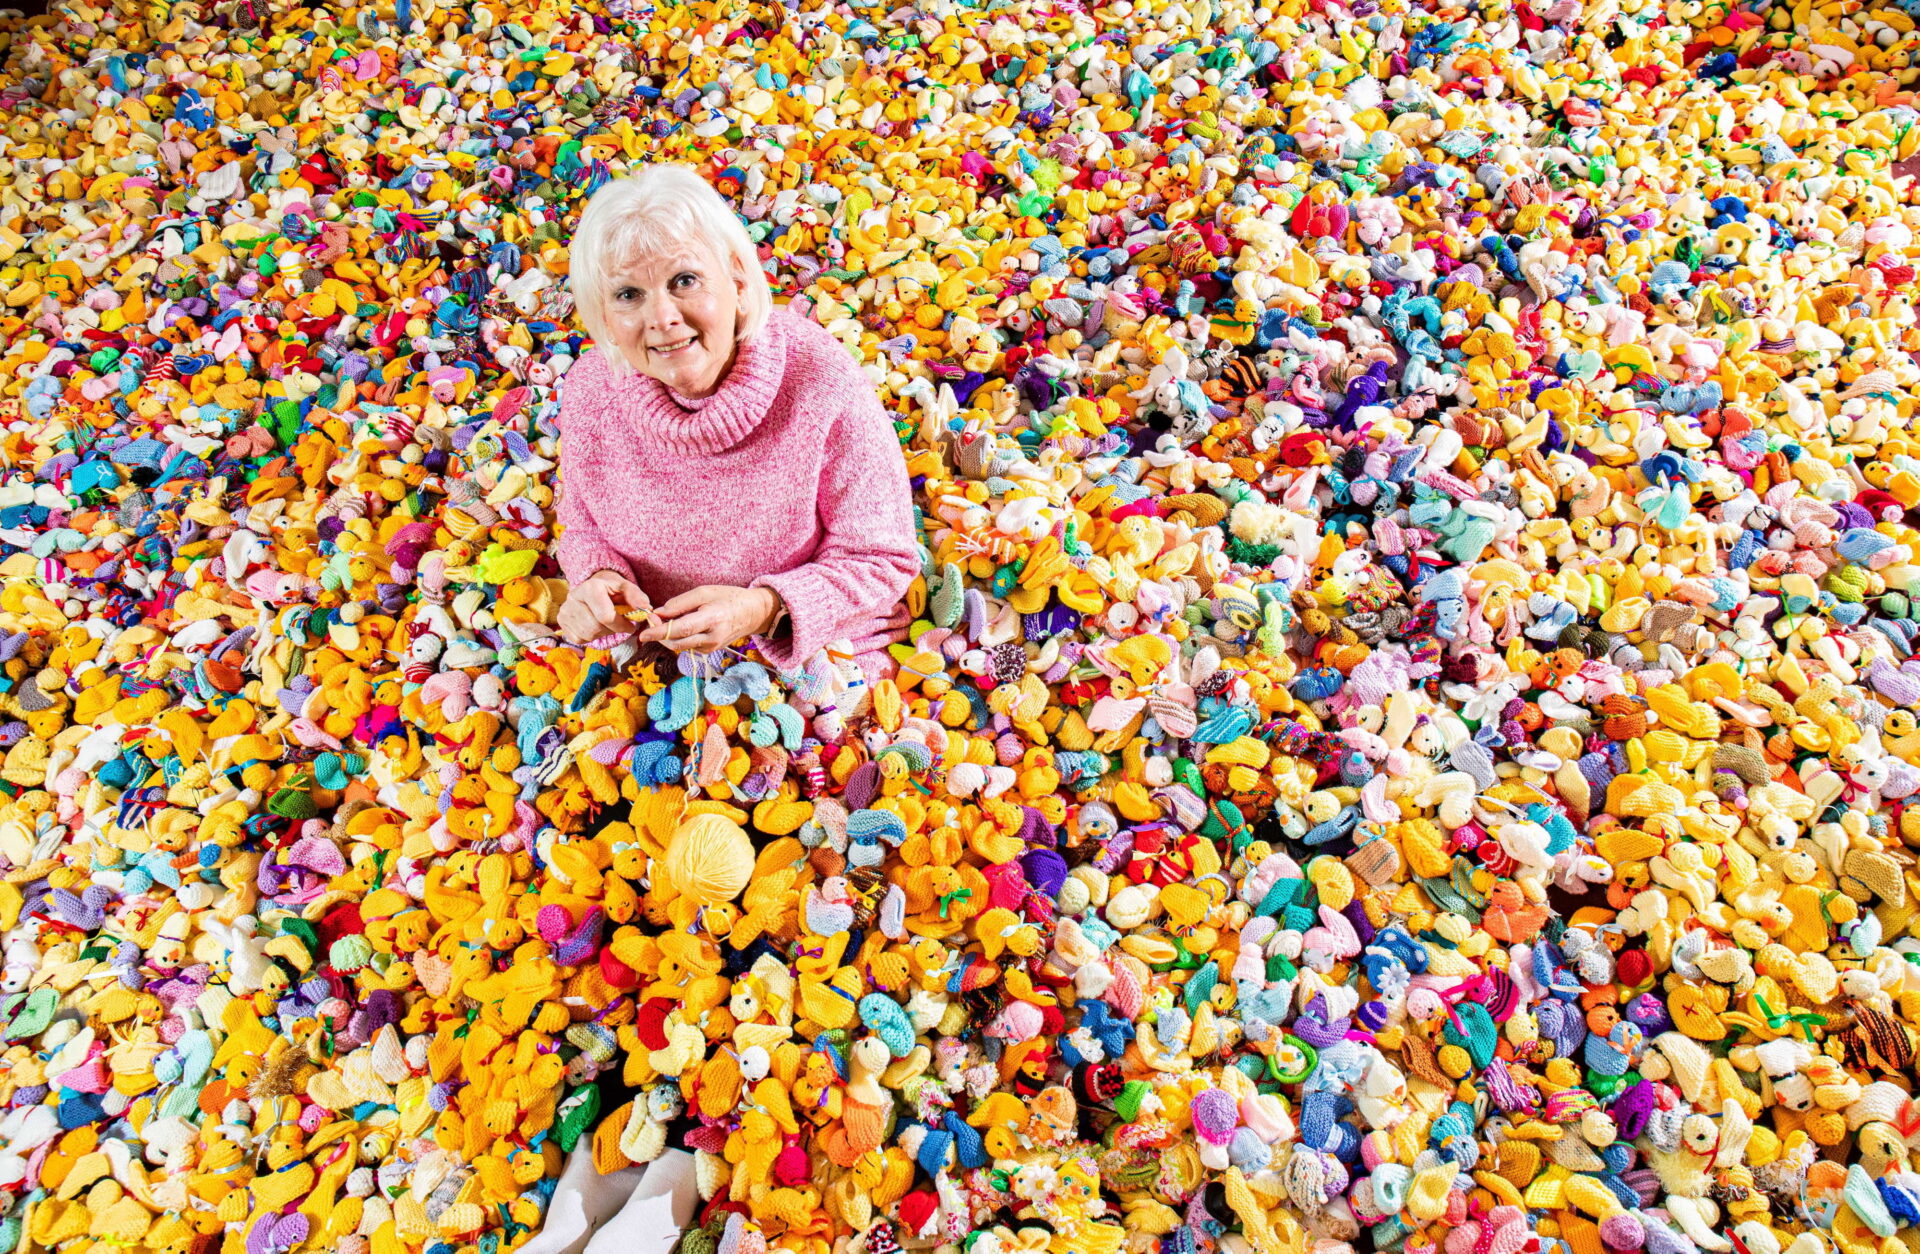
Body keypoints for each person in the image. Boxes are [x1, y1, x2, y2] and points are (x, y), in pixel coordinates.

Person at [552, 162, 919, 692]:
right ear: (604, 317)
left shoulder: (819, 379)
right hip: (648, 654)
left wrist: (762, 609)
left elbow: (882, 556)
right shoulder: (592, 388)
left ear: (740, 285)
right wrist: (596, 578)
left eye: (685, 281)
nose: (662, 317)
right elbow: (582, 519)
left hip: (808, 652)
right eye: (628, 295)